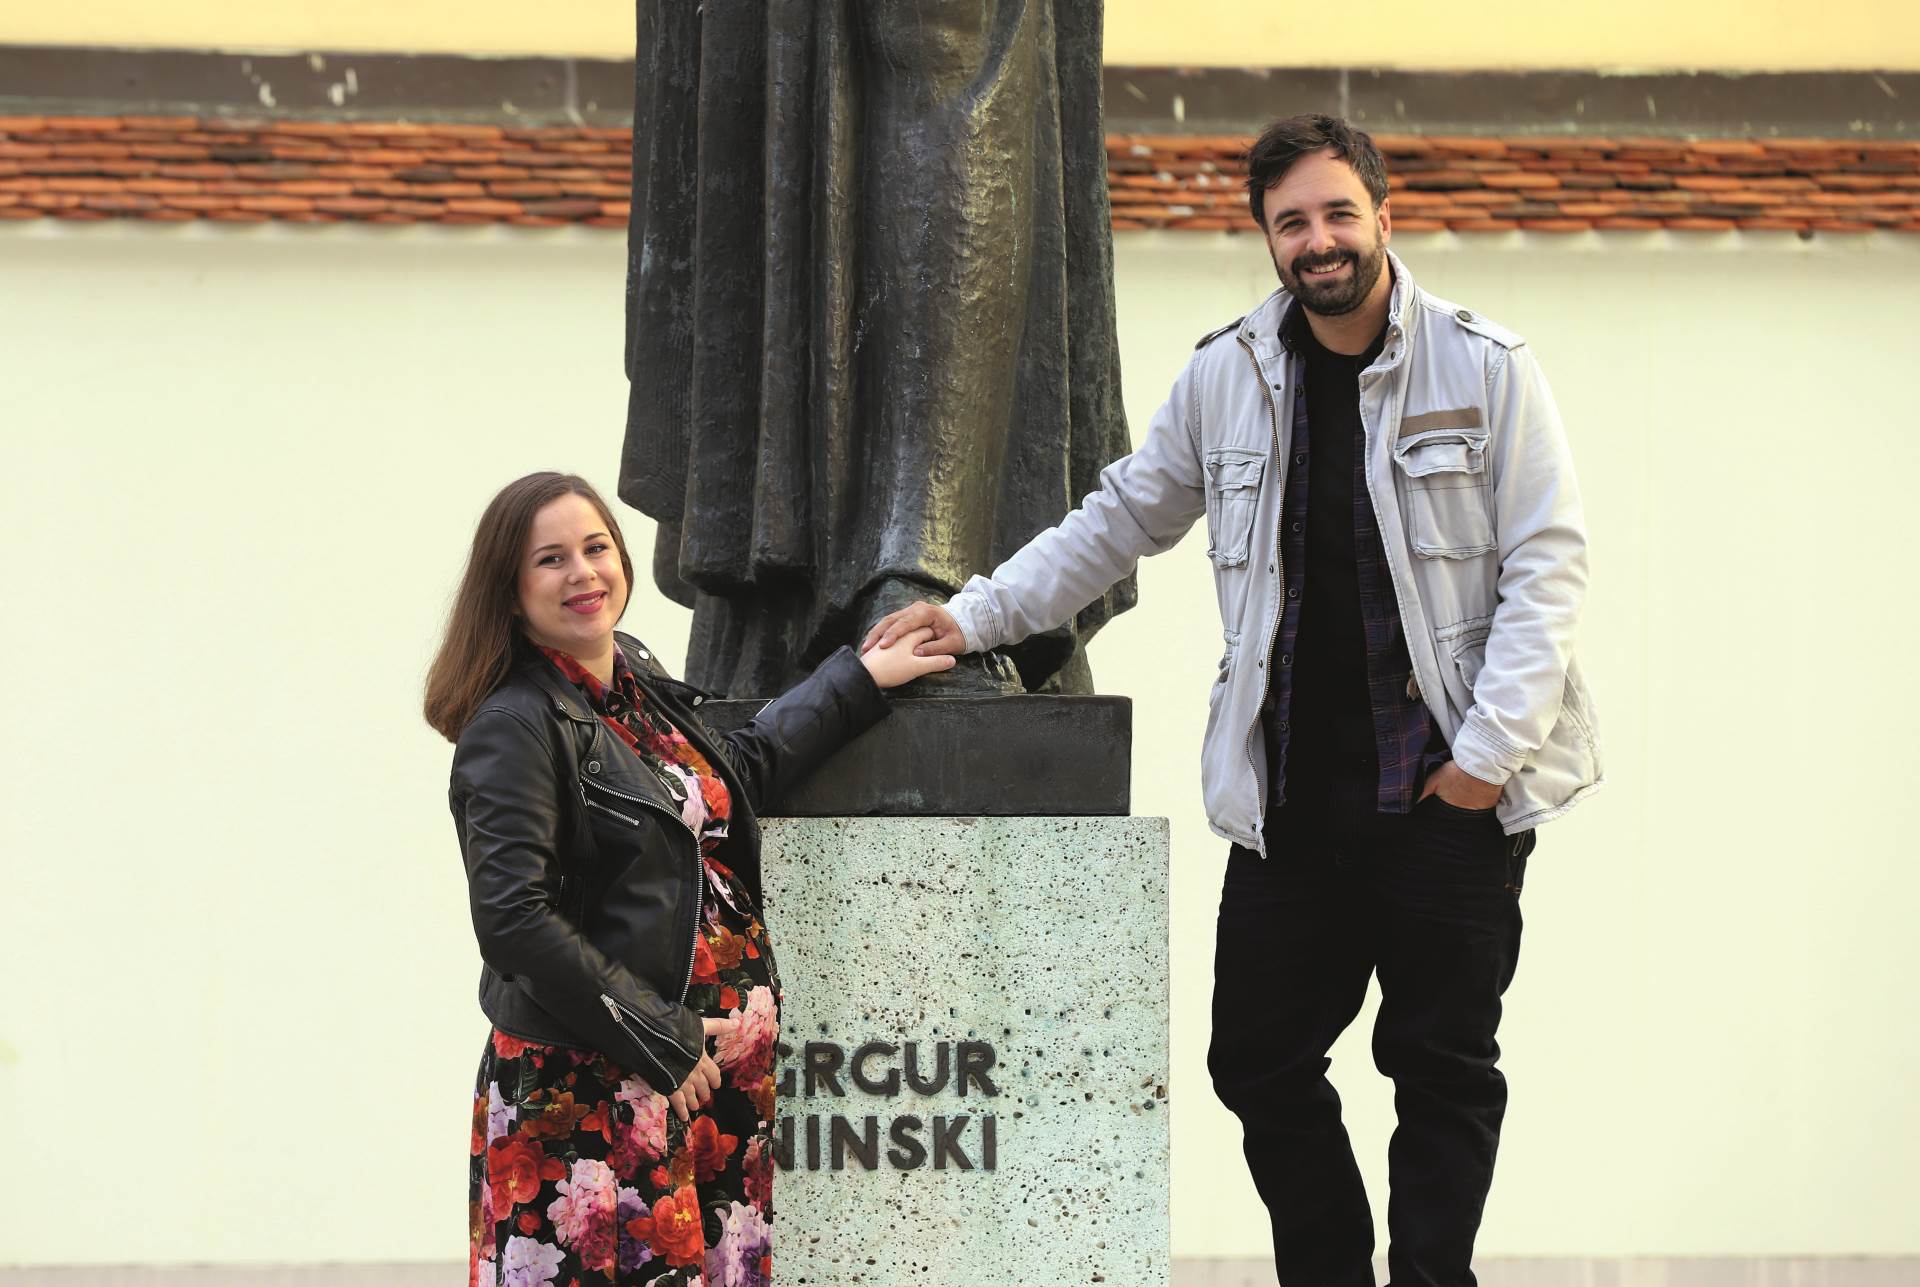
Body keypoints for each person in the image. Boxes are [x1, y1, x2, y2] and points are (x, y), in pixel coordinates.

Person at [864, 115, 1602, 1287]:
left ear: (1383, 216)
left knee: (1442, 1069)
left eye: (1338, 213)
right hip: (1291, 802)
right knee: (1256, 1061)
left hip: (1445, 799)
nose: (1318, 241)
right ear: (1267, 236)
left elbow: (1547, 571)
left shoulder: (1487, 368)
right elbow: (1119, 518)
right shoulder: (1230, 376)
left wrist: (1482, 766)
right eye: (1291, 222)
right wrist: (976, 614)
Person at [424, 471, 951, 1286]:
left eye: (596, 547)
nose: (583, 573)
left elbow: (729, 771)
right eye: (551, 559)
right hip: (597, 1098)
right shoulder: (514, 725)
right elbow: (513, 918)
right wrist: (661, 1034)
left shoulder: (630, 683)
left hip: (701, 1098)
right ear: (511, 590)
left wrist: (860, 678)